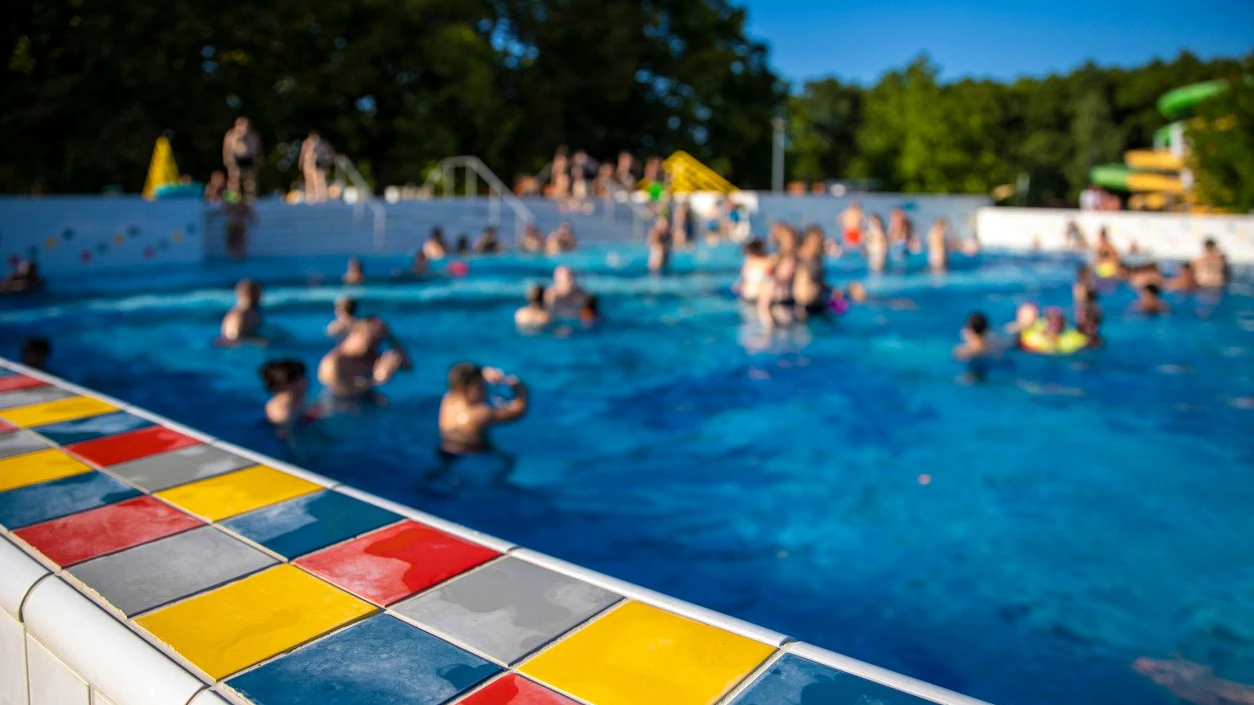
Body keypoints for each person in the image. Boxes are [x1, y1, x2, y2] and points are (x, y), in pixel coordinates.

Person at [439, 363, 528, 456]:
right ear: (465, 389)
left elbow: (464, 377)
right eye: (480, 386)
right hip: (472, 452)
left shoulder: (448, 398)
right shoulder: (478, 414)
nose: (485, 389)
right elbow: (518, 410)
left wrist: (483, 373)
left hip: (445, 448)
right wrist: (520, 389)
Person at [317, 317, 411, 398]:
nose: (375, 344)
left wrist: (390, 337)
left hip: (362, 396)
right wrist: (376, 380)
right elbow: (339, 392)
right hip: (338, 403)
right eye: (371, 338)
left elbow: (407, 366)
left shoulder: (369, 356)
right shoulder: (333, 362)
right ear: (357, 332)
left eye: (378, 339)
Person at [260, 359, 312, 432]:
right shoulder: (282, 415)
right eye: (301, 379)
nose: (307, 381)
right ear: (288, 386)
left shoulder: (298, 396)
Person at [222, 116, 262, 198]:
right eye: (241, 125)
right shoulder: (231, 135)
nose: (243, 127)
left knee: (250, 182)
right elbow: (226, 149)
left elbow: (258, 150)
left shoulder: (253, 136)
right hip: (235, 161)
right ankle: (233, 198)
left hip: (249, 160)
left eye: (245, 125)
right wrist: (228, 161)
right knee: (234, 181)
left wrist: (257, 160)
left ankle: (249, 198)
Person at [793, 226, 828, 317]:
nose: (817, 243)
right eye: (814, 240)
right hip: (801, 303)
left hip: (817, 301)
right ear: (807, 240)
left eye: (820, 240)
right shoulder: (798, 256)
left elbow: (821, 280)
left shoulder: (818, 258)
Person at [220, 279, 263, 343]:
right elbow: (234, 340)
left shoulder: (235, 313)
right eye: (258, 294)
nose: (260, 298)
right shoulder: (240, 316)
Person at [298, 130, 333, 204]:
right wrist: (301, 163)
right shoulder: (306, 144)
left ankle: (320, 196)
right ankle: (311, 196)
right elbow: (303, 154)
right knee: (309, 180)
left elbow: (326, 155)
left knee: (318, 180)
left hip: (317, 164)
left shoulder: (320, 145)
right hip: (308, 164)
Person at [734, 239, 771, 303]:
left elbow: (769, 281)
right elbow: (741, 280)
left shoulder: (768, 262)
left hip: (762, 298)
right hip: (748, 297)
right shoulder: (748, 263)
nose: (747, 256)